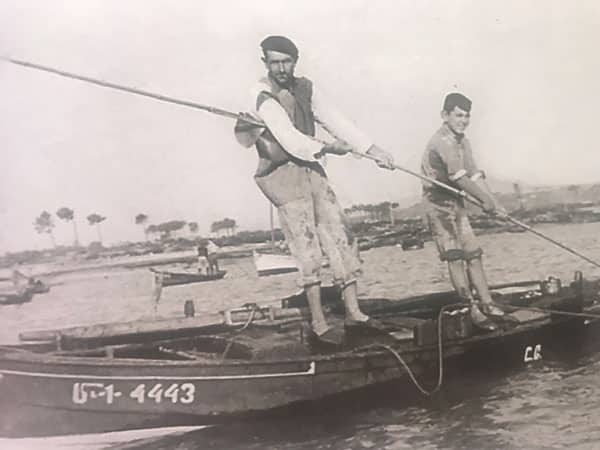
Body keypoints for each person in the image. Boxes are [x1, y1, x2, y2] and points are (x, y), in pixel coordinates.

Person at [235, 35, 395, 345]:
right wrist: (327, 148)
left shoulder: (305, 87)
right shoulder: (261, 94)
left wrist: (372, 149)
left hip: (312, 168)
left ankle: (354, 313)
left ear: (296, 61)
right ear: (265, 62)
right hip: (283, 175)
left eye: (287, 61)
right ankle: (319, 323)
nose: (282, 68)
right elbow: (289, 138)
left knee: (340, 235)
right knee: (306, 247)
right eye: (275, 62)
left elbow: (335, 120)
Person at [421, 92, 506, 331]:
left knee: (474, 254)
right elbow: (458, 176)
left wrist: (494, 202)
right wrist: (483, 200)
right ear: (445, 115)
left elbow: (474, 174)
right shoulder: (442, 141)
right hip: (437, 204)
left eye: (467, 115)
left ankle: (487, 303)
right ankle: (472, 309)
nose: (464, 120)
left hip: (456, 203)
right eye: (458, 115)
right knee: (456, 257)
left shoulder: (462, 140)